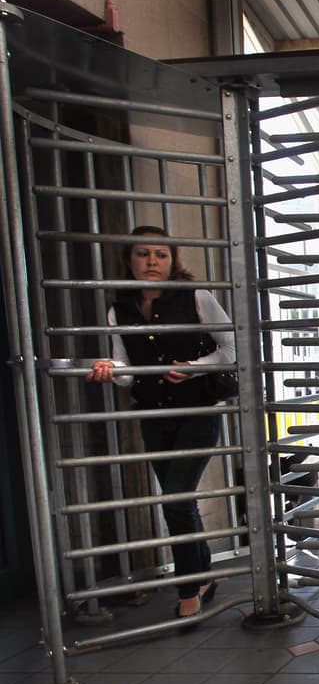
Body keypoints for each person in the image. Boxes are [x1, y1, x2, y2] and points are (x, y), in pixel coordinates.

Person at [85, 226, 233, 621]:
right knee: (178, 499)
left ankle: (188, 588)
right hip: (153, 415)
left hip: (197, 412)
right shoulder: (120, 308)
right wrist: (109, 368)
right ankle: (203, 576)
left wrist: (194, 368)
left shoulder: (196, 296)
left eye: (161, 254)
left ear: (173, 260)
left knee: (175, 498)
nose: (152, 261)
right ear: (129, 260)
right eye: (143, 254)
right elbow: (127, 371)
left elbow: (232, 346)